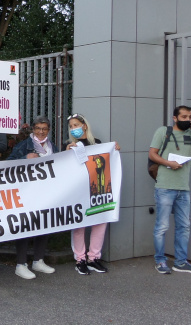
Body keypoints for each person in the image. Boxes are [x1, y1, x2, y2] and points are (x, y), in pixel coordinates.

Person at [149, 105, 191, 274]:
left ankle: (181, 262)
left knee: (184, 226)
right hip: (165, 187)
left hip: (183, 188)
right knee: (162, 226)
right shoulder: (163, 132)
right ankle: (160, 261)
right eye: (184, 117)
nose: (187, 120)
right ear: (175, 118)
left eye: (189, 117)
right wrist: (168, 163)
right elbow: (152, 154)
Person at [64, 113, 120, 275]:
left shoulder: (98, 144)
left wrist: (115, 150)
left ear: (84, 125)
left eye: (76, 125)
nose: (74, 129)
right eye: (71, 126)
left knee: (100, 222)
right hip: (78, 191)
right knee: (79, 225)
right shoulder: (68, 145)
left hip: (96, 189)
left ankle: (93, 258)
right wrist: (66, 153)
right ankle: (80, 259)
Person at [7, 116, 57, 279]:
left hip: (46, 192)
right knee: (24, 226)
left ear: (48, 130)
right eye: (38, 128)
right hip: (27, 192)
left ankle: (38, 260)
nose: (41, 132)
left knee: (44, 224)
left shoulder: (53, 147)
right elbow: (8, 164)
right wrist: (24, 159)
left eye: (44, 129)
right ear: (33, 129)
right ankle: (21, 264)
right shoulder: (24, 146)